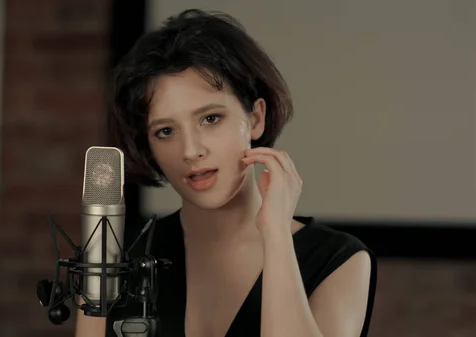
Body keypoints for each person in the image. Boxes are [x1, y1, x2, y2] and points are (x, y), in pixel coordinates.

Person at [75, 8, 377, 337]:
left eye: (210, 119)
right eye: (165, 131)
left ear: (256, 119)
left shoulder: (338, 260)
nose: (190, 150)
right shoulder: (113, 253)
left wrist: (276, 234)